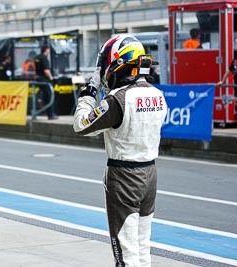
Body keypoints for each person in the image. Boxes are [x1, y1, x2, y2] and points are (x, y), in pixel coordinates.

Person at [73, 35, 168, 267]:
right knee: (143, 246)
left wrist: (88, 93)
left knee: (126, 252)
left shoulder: (118, 99)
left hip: (123, 175)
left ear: (117, 63)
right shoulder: (158, 95)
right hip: (150, 174)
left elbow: (81, 125)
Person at [34, 45, 58, 120]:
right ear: (46, 50)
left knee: (43, 96)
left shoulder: (37, 58)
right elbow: (46, 71)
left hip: (38, 78)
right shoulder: (44, 58)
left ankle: (43, 111)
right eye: (48, 50)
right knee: (49, 96)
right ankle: (50, 114)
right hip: (45, 79)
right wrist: (51, 78)